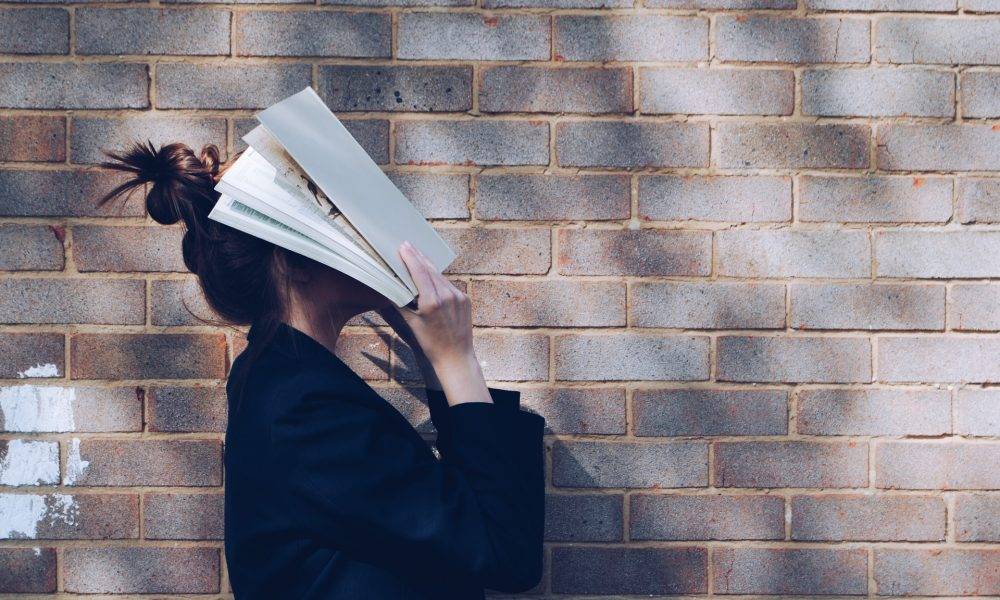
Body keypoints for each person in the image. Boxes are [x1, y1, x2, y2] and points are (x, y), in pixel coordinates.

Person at [97, 141, 546, 599]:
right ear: (294, 260)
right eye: (340, 222)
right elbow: (505, 552)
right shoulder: (304, 411)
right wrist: (457, 359)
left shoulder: (284, 383)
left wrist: (432, 353)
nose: (369, 236)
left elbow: (465, 526)